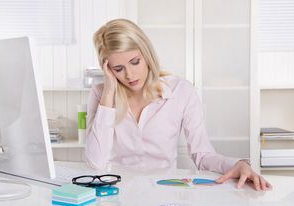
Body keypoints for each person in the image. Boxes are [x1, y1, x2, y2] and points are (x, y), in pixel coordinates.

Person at [85, 18, 272, 191]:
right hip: (117, 194)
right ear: (108, 69)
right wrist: (109, 93)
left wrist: (237, 164)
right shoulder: (102, 94)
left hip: (162, 192)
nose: (130, 75)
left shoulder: (181, 91)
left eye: (135, 62)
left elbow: (203, 155)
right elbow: (96, 162)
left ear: (147, 54)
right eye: (118, 69)